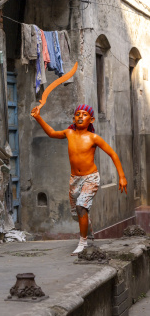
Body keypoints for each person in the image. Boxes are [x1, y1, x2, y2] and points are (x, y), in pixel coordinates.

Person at [31, 104, 127, 254]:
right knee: (77, 214)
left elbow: (113, 154)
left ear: (92, 119)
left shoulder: (93, 138)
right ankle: (88, 229)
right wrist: (38, 117)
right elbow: (51, 133)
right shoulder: (69, 133)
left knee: (81, 206)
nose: (80, 116)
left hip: (91, 178)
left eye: (84, 114)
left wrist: (122, 176)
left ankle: (83, 242)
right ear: (74, 118)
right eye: (77, 114)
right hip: (74, 180)